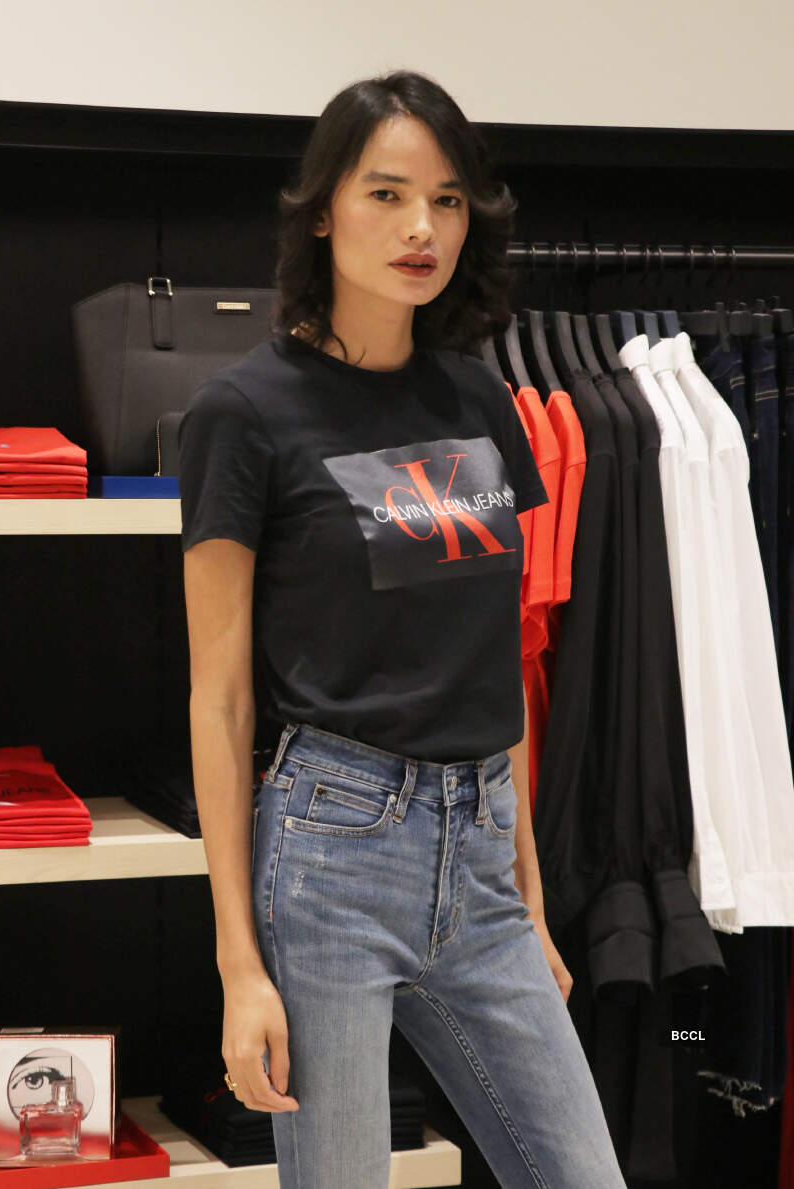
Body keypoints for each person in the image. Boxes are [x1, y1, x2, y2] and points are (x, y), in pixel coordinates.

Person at [179, 68, 627, 1189]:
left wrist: (525, 888)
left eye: (446, 199)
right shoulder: (245, 413)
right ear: (322, 211)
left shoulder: (478, 401)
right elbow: (219, 695)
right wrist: (238, 964)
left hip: (480, 854)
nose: (420, 226)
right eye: (386, 194)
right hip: (332, 843)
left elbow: (493, 650)